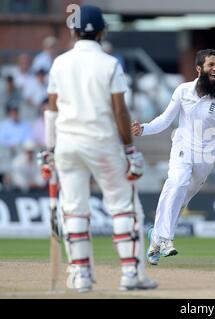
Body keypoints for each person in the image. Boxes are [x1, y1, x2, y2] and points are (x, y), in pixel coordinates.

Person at [42, 5, 157, 293]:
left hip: (67, 145)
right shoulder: (109, 64)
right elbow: (120, 111)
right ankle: (131, 273)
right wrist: (130, 151)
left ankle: (81, 276)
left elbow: (52, 111)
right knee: (123, 207)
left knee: (75, 210)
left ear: (73, 31)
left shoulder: (59, 63)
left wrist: (49, 149)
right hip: (102, 143)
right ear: (102, 31)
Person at [131, 49, 215, 265]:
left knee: (179, 200)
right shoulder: (183, 91)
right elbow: (166, 119)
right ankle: (166, 240)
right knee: (176, 183)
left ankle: (155, 239)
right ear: (199, 69)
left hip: (206, 157)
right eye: (211, 65)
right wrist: (145, 128)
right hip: (183, 148)